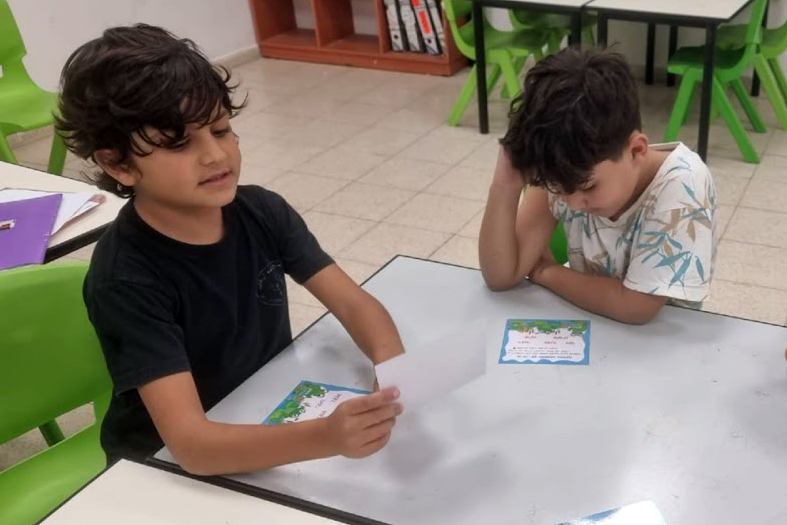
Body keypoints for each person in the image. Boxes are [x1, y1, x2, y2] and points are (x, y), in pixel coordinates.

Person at [56, 24, 404, 475]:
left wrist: (392, 371)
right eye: (180, 143)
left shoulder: (262, 211)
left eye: (220, 129)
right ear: (118, 164)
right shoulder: (126, 278)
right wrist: (327, 437)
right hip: (164, 466)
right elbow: (193, 447)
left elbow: (354, 304)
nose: (216, 156)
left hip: (260, 410)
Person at [479, 47, 717, 324]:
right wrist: (505, 185)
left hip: (662, 339)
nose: (573, 203)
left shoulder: (683, 185)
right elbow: (501, 276)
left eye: (589, 187)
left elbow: (636, 308)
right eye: (558, 189)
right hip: (592, 324)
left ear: (636, 151)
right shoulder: (564, 168)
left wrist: (546, 272)